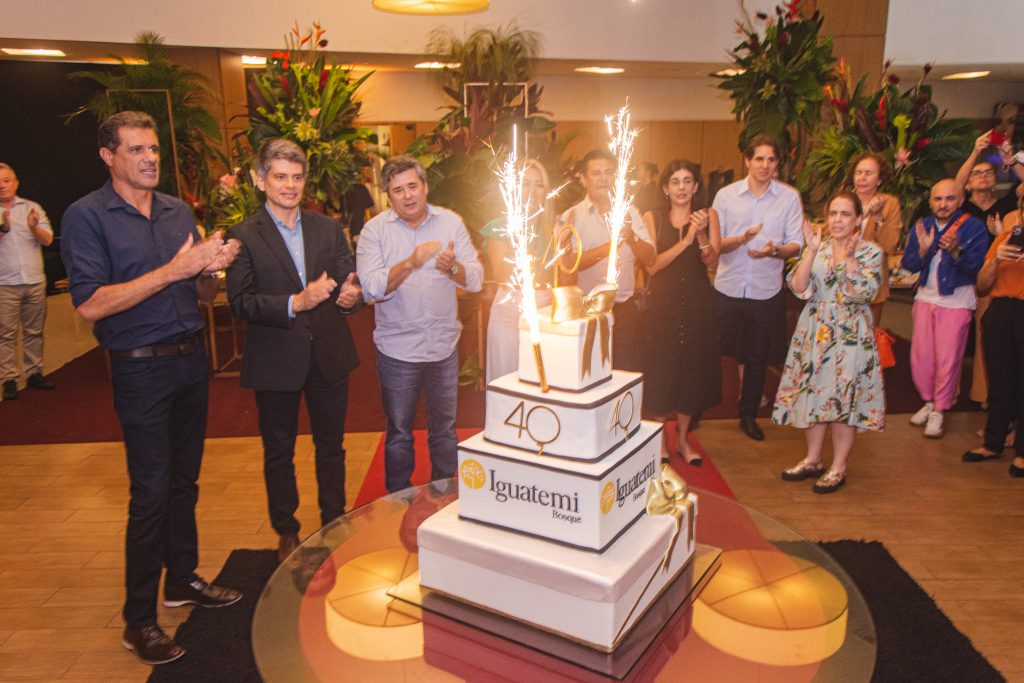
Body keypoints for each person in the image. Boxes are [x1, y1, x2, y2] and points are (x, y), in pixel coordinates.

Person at [60, 111, 242, 666]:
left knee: (184, 482)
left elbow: (200, 294)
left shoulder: (176, 210)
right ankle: (138, 621)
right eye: (136, 149)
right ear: (108, 156)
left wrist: (209, 271)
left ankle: (181, 579)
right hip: (139, 370)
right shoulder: (85, 216)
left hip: (191, 361)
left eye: (154, 148)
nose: (150, 158)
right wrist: (173, 269)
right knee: (151, 492)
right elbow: (90, 304)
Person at [226, 139, 362, 563]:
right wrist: (295, 302)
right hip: (275, 358)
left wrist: (351, 296)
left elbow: (348, 280)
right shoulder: (243, 235)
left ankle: (334, 520)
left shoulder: (327, 228)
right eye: (280, 177)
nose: (290, 185)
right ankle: (286, 530)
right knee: (279, 451)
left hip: (328, 353)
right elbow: (240, 301)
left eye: (297, 177)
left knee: (331, 445)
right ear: (260, 180)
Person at [356, 155, 483, 492]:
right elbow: (370, 288)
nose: (407, 195)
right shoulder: (374, 231)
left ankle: (444, 495)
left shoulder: (451, 223)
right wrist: (411, 263)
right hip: (397, 350)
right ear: (388, 196)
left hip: (443, 347)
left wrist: (452, 268)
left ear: (425, 187)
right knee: (399, 431)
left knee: (445, 429)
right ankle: (398, 500)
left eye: (412, 186)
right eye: (398, 190)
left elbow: (476, 280)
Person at [774, 192, 885, 494]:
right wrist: (810, 252)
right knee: (814, 393)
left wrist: (848, 260)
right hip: (816, 329)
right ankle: (812, 459)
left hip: (850, 332)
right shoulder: (819, 248)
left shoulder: (870, 252)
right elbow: (798, 288)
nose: (837, 220)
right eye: (833, 213)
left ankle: (838, 466)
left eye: (845, 214)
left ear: (858, 219)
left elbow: (865, 293)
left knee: (843, 399)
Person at [710, 135, 804, 441]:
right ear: (747, 161)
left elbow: (796, 244)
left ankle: (748, 414)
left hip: (765, 291)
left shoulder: (789, 197)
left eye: (771, 159)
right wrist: (741, 240)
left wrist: (774, 251)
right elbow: (714, 244)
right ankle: (694, 409)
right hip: (727, 287)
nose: (765, 165)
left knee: (756, 357)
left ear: (777, 164)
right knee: (709, 350)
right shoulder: (726, 196)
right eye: (759, 159)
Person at [641, 159, 721, 466]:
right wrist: (685, 240)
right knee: (662, 370)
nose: (681, 187)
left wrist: (699, 236)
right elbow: (651, 266)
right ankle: (661, 439)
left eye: (688, 181)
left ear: (696, 186)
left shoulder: (708, 215)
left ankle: (683, 439)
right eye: (675, 181)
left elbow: (712, 261)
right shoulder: (653, 218)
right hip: (663, 306)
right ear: (665, 188)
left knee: (692, 371)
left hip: (698, 304)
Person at [901, 179, 988, 439]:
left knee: (947, 360)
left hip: (956, 302)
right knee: (921, 359)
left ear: (961, 200)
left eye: (950, 198)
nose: (943, 204)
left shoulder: (974, 227)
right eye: (938, 199)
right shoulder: (923, 225)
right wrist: (923, 251)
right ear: (930, 202)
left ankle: (939, 409)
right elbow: (909, 264)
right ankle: (929, 401)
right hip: (925, 299)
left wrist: (955, 250)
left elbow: (974, 267)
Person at [559, 148, 656, 372]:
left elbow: (650, 259)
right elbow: (568, 267)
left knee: (623, 373)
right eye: (596, 173)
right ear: (584, 179)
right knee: (588, 373)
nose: (603, 178)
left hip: (625, 312)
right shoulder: (571, 217)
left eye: (609, 172)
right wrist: (610, 246)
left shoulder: (630, 213)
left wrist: (630, 237)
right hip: (587, 311)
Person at [962, 190, 1024, 477]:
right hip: (1000, 311)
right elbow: (982, 285)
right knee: (999, 381)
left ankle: (1022, 452)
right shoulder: (1005, 239)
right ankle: (993, 442)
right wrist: (996, 259)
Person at [482, 159, 554, 382]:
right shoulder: (500, 226)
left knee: (539, 382)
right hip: (508, 313)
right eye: (525, 184)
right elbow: (500, 276)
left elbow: (561, 276)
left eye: (539, 185)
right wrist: (519, 245)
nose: (532, 191)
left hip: (543, 314)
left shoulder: (552, 229)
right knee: (506, 381)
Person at [0, 163, 56, 400]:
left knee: (34, 331)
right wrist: (3, 229)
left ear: (16, 183)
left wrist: (34, 228)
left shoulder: (32, 208)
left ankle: (34, 373)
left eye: (6, 180)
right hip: (4, 284)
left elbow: (48, 240)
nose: (2, 186)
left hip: (34, 281)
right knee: (6, 334)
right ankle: (9, 379)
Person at [846, 152, 902, 325]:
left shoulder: (889, 203)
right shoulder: (843, 200)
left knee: (867, 334)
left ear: (879, 179)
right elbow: (831, 237)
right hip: (842, 278)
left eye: (868, 173)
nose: (862, 177)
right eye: (858, 172)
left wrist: (877, 217)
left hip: (872, 279)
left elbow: (889, 245)